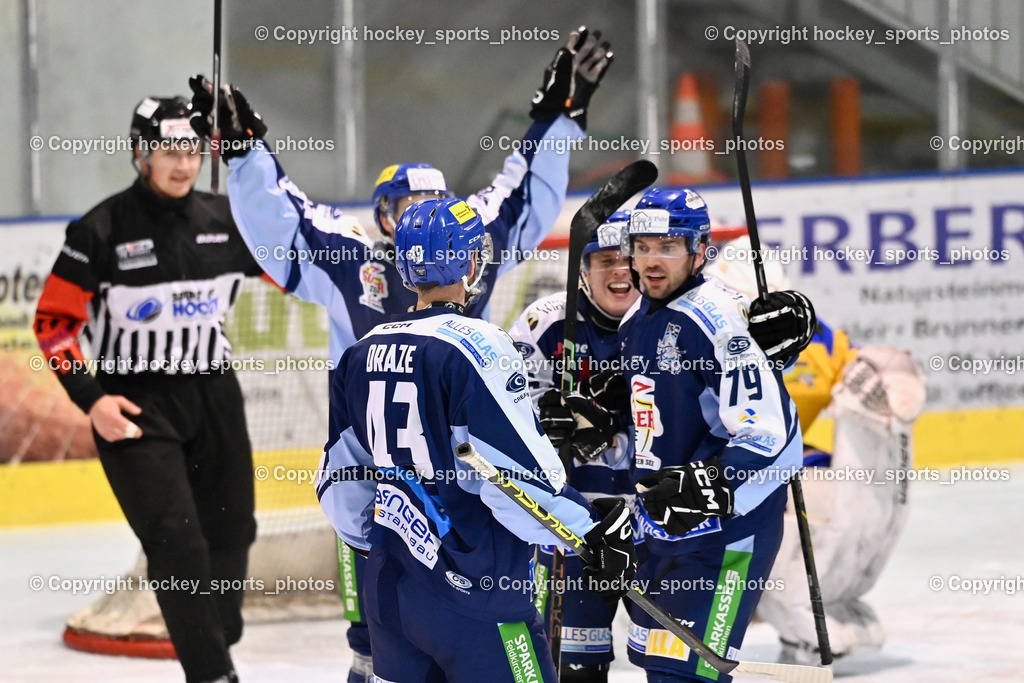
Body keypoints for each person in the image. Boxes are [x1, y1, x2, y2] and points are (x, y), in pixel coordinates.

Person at [187, 25, 612, 682]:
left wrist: (558, 119)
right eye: (402, 203)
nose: (419, 211)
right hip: (436, 515)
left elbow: (518, 195)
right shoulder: (356, 262)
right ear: (383, 218)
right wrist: (245, 156)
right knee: (386, 640)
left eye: (431, 202)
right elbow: (286, 222)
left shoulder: (430, 275)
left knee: (397, 639)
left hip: (408, 507)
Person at [315, 197, 636, 681]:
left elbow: (341, 479)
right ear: (468, 262)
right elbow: (513, 480)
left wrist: (387, 543)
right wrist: (584, 532)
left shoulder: (360, 353)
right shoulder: (480, 346)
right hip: (478, 590)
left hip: (390, 593)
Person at [34, 97, 264, 683]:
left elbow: (297, 261)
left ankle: (215, 638)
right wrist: (92, 400)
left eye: (192, 150)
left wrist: (254, 146)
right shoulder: (100, 229)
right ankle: (213, 675)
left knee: (233, 529)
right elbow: (53, 324)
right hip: (134, 404)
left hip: (214, 394)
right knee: (178, 543)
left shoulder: (227, 220)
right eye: (168, 151)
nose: (182, 164)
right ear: (141, 154)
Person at [611, 187, 804, 682]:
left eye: (668, 247)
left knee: (686, 673)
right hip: (662, 528)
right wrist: (601, 417)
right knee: (658, 663)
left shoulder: (720, 321)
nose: (652, 261)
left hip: (728, 534)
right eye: (643, 247)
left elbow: (771, 436)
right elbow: (656, 406)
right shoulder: (637, 316)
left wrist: (711, 480)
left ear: (699, 252)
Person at [704, 237, 927, 664]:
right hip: (702, 481)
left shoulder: (813, 339)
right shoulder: (689, 334)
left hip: (764, 473)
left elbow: (868, 370)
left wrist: (896, 370)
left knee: (813, 495)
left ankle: (803, 608)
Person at [507, 211, 639, 681]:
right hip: (580, 525)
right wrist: (546, 422)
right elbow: (505, 416)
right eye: (605, 260)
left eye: (629, 257)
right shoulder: (546, 323)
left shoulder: (668, 322)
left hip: (657, 521)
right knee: (576, 668)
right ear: (582, 271)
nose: (620, 269)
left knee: (672, 663)